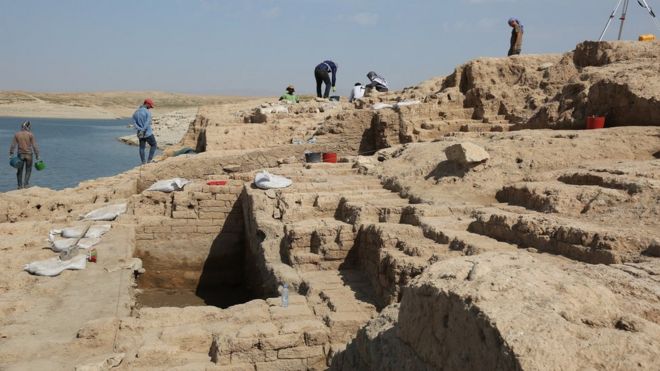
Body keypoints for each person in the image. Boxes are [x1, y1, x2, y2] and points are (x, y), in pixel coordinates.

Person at [9, 120, 40, 189]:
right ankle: (26, 185)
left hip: (20, 154)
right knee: (28, 170)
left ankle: (19, 186)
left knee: (19, 170)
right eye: (30, 126)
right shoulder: (30, 134)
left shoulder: (17, 134)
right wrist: (37, 155)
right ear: (27, 126)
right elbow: (34, 145)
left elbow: (13, 145)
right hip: (29, 155)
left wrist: (11, 154)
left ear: (22, 126)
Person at [132, 98, 157, 164]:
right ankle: (149, 160)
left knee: (142, 147)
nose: (150, 108)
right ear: (147, 104)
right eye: (150, 106)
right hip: (147, 133)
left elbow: (134, 123)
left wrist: (140, 129)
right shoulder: (147, 112)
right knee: (154, 145)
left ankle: (143, 162)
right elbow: (147, 122)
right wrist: (143, 130)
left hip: (140, 133)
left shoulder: (136, 112)